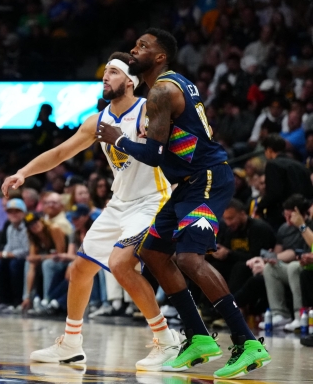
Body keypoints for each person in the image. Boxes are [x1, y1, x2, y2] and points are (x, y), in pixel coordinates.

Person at [96, 28, 271, 377]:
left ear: (160, 57)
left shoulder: (162, 90)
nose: (134, 49)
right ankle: (198, 337)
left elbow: (155, 156)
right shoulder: (167, 87)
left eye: (143, 46)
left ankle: (247, 341)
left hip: (207, 179)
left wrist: (119, 140)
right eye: (134, 44)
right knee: (152, 252)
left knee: (189, 258)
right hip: (188, 183)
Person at [5, 52, 179, 369]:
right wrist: (24, 173)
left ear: (130, 81)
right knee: (81, 269)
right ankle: (71, 343)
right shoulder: (98, 121)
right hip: (120, 203)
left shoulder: (148, 110)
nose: (105, 77)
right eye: (104, 73)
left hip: (153, 199)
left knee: (121, 265)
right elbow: (60, 152)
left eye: (112, 72)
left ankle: (166, 341)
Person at [260, 194, 312, 331]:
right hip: (291, 265)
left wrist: (301, 225)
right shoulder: (284, 228)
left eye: (291, 217)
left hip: (304, 266)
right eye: (286, 216)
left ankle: (299, 316)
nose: (288, 221)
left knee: (293, 267)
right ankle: (280, 314)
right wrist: (271, 258)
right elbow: (277, 254)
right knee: (270, 268)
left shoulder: (309, 225)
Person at [259, 135, 313, 230]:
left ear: (269, 150)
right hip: (303, 213)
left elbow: (274, 193)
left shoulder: (273, 164)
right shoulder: (301, 165)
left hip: (283, 215)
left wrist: (260, 207)